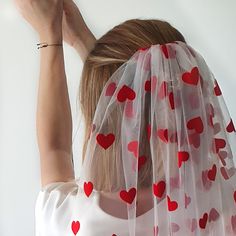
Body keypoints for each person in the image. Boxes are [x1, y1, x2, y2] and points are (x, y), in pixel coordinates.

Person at [14, 0, 236, 235]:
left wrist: (51, 34)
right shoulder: (218, 207)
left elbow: (55, 150)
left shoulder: (67, 221)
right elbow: (56, 148)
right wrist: (77, 42)